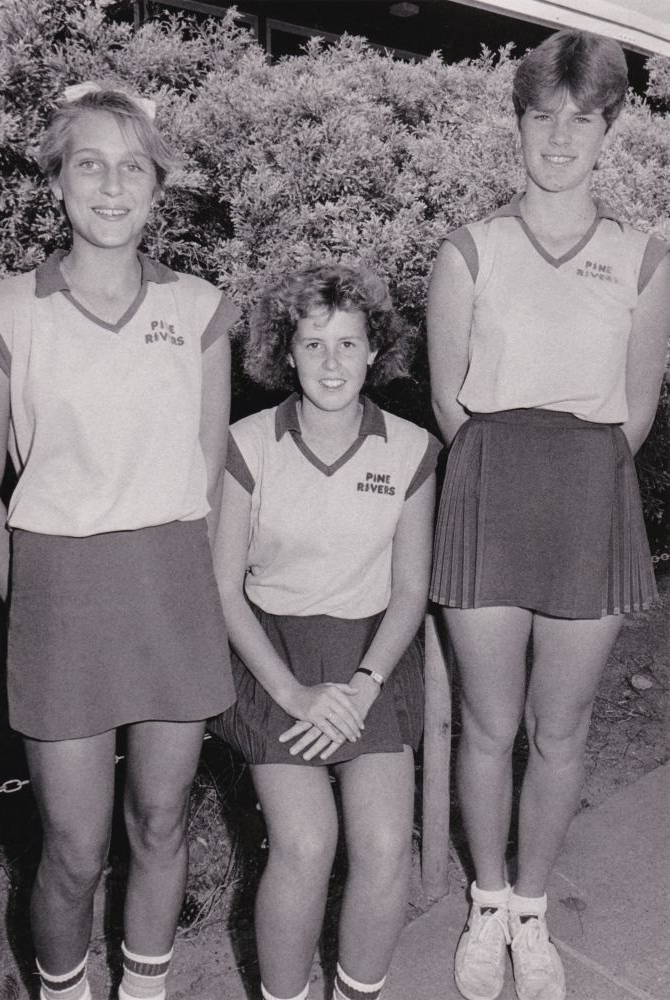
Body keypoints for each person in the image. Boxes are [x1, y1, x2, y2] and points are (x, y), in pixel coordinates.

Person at [427, 29, 670, 1000]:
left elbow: (638, 402)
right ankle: (485, 902)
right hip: (487, 488)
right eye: (540, 116)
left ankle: (531, 911)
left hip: (587, 495)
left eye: (580, 117)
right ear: (517, 123)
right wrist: (505, 466)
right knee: (488, 725)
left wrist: (574, 473)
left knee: (559, 726)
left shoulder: (642, 259)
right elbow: (450, 401)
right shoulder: (467, 250)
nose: (558, 138)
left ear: (608, 126)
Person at [0, 82, 238, 1000]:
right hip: (59, 590)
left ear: (156, 187)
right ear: (57, 179)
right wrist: (36, 603)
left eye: (133, 167)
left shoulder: (203, 308)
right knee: (72, 848)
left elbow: (209, 478)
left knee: (162, 818)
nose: (111, 186)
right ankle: (64, 989)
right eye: (89, 163)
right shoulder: (7, 310)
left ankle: (144, 986)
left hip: (171, 583)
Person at [208, 263, 440, 1000]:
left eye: (348, 344)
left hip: (372, 656)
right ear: (286, 352)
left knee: (380, 847)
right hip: (270, 653)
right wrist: (293, 692)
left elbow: (409, 591)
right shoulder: (246, 444)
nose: (331, 363)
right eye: (313, 345)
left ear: (376, 351)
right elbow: (221, 588)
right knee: (306, 843)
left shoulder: (410, 450)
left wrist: (363, 686)